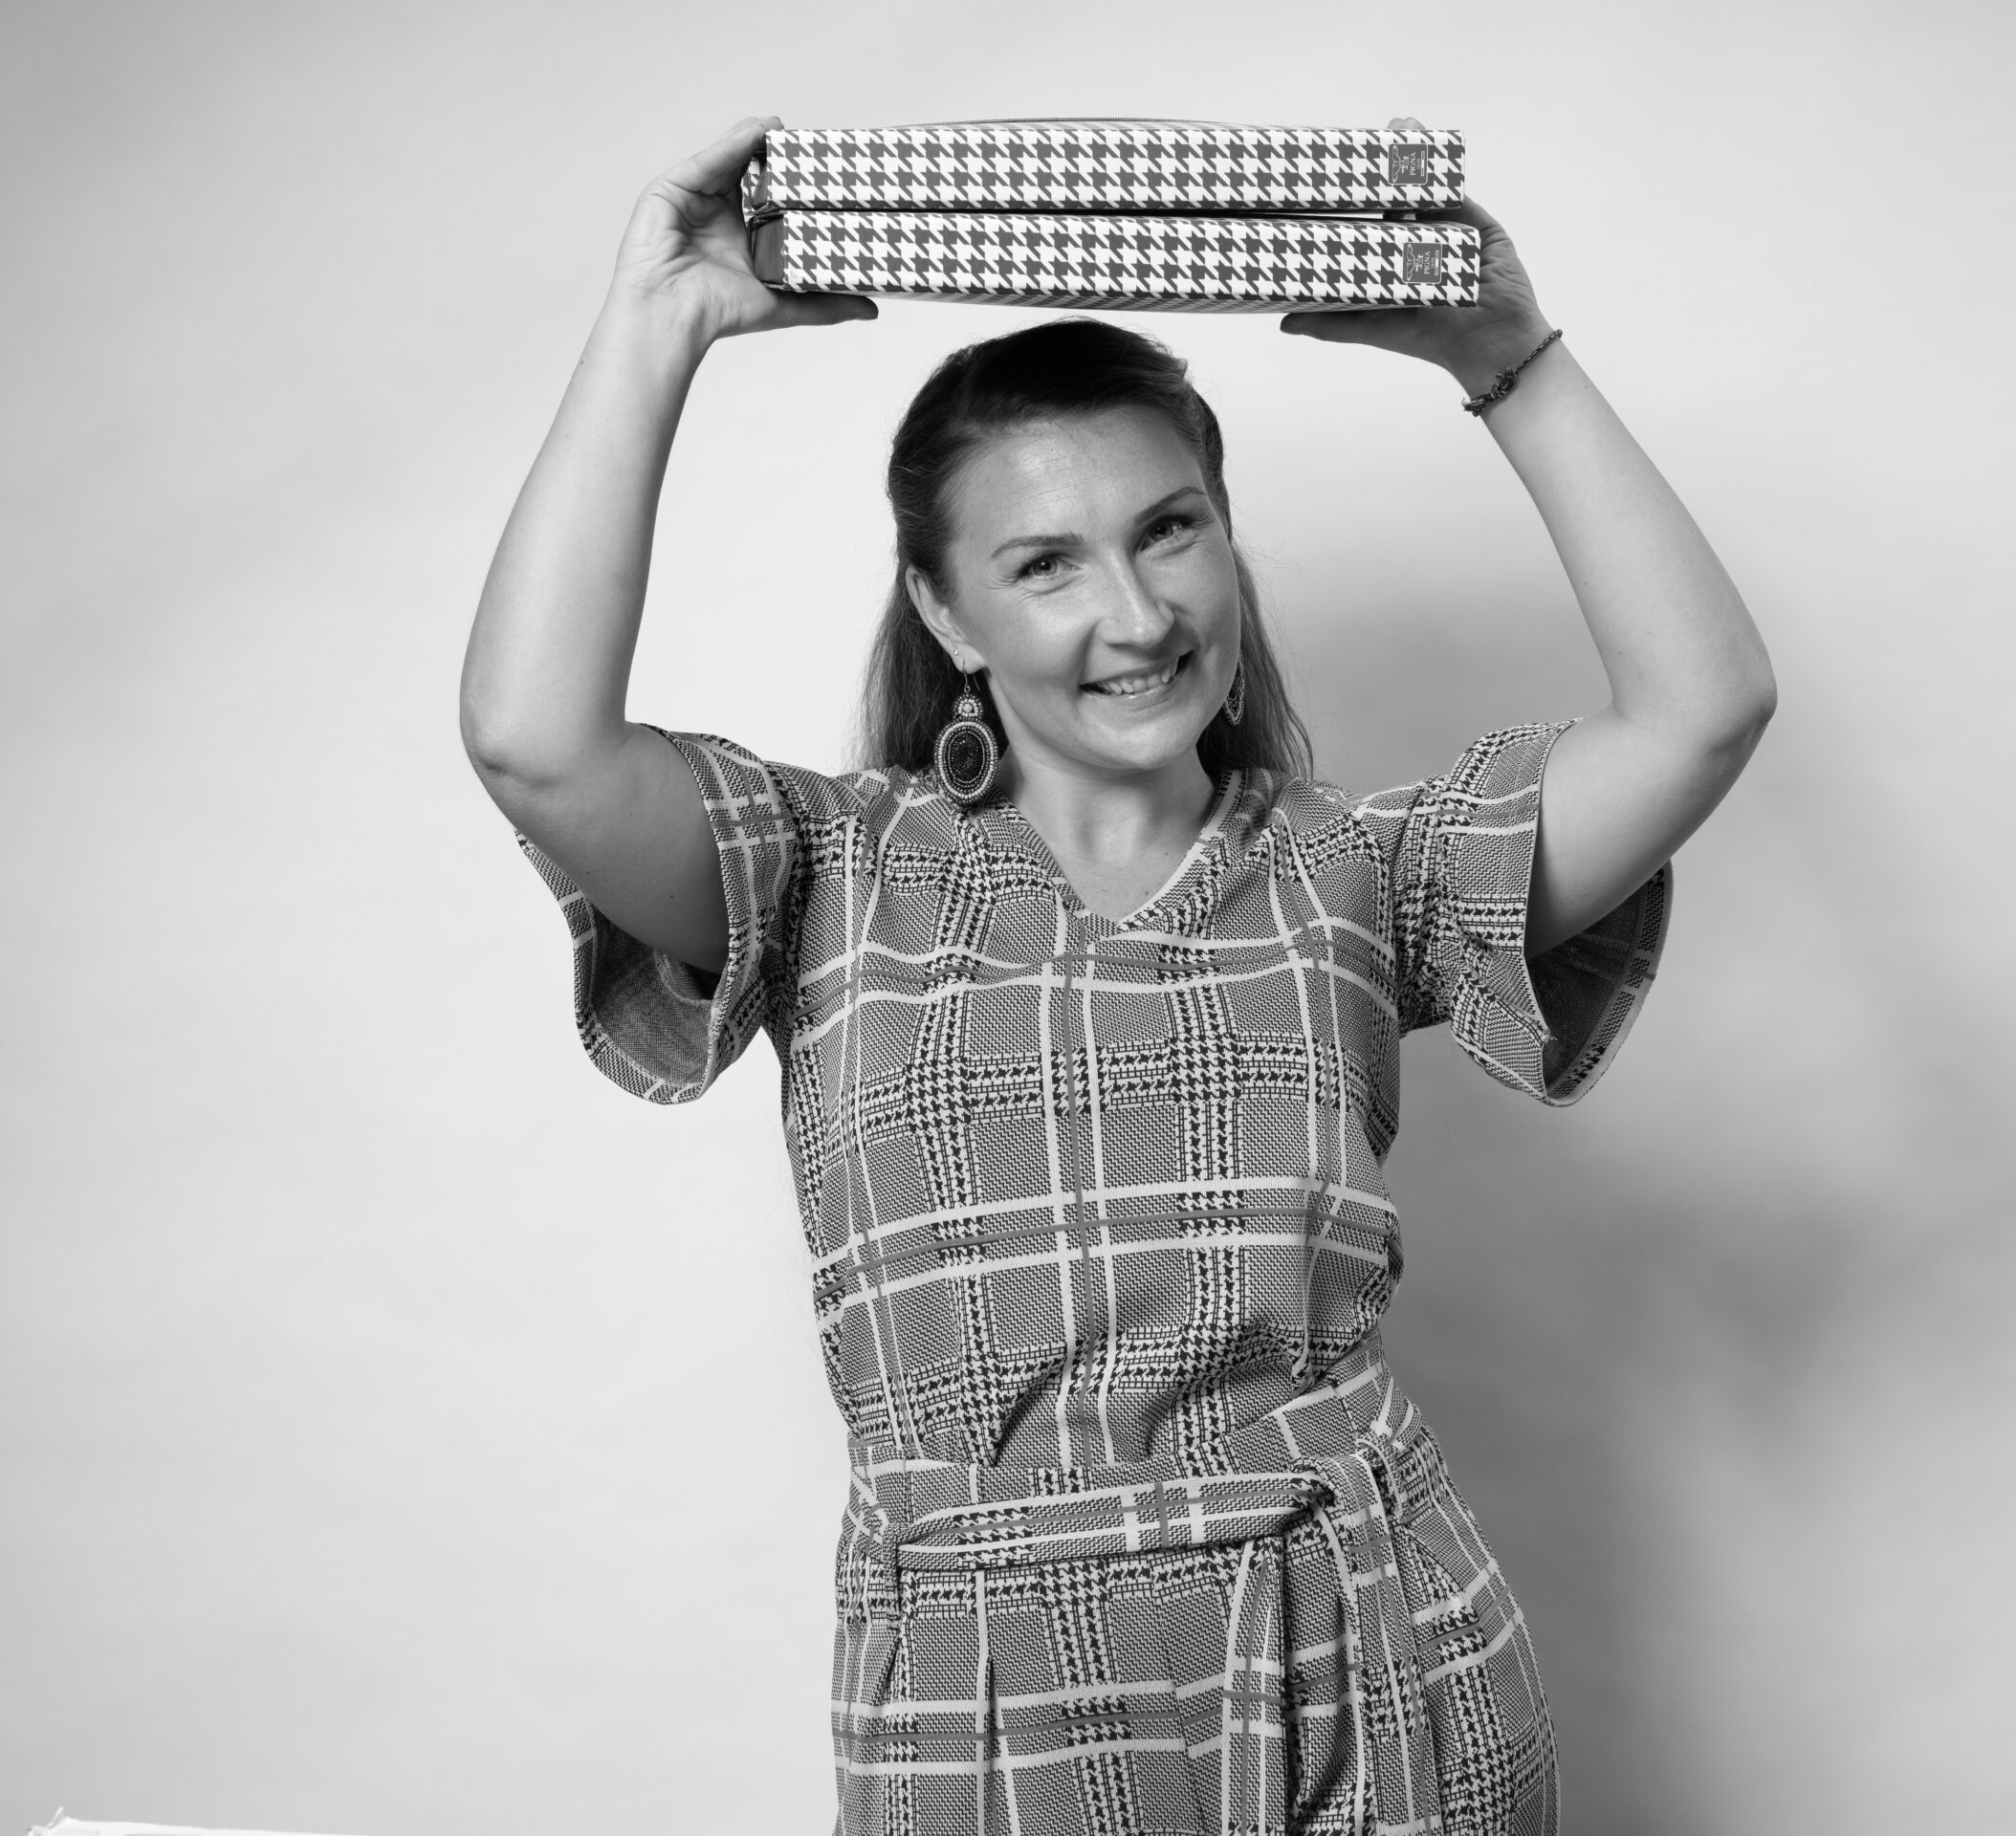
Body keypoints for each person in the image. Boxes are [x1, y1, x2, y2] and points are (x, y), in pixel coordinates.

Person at [460, 112, 1774, 1836]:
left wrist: (1507, 361)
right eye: (1045, 564)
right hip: (982, 1699)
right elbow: (535, 742)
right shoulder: (825, 874)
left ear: (1228, 537)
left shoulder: (1359, 872)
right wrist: (660, 325)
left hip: (1374, 1658)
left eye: (1170, 530)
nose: (1138, 615)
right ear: (947, 615)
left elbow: (1702, 710)